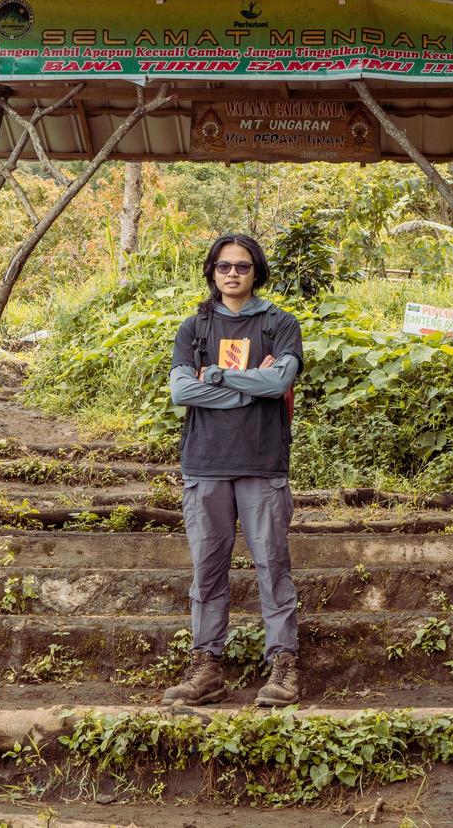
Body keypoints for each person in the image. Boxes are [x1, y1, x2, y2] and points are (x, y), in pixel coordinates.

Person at [161, 234, 303, 707]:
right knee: (207, 571)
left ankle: (283, 666)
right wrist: (251, 387)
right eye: (224, 266)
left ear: (256, 271)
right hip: (205, 465)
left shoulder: (279, 324)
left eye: (242, 266)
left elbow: (281, 378)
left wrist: (218, 377)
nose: (233, 274)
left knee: (272, 567)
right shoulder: (194, 329)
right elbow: (182, 391)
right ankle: (207, 668)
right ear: (212, 272)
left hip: (262, 463)